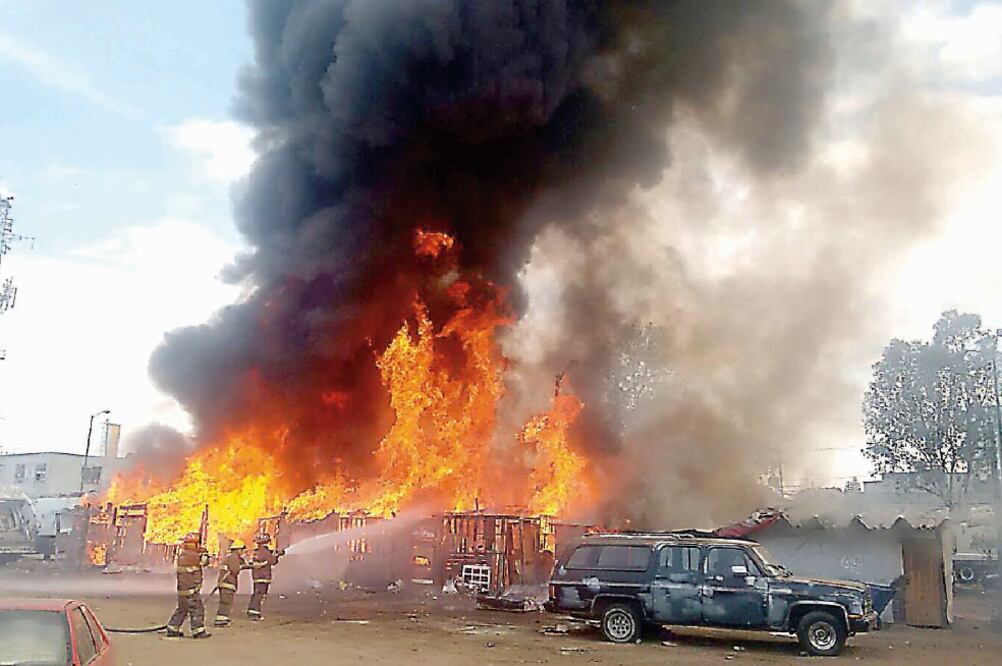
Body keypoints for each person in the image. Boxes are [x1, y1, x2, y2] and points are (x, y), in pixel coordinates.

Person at [166, 532, 211, 638]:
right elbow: (205, 562)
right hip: (191, 588)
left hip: (182, 588)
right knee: (197, 609)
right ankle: (198, 631)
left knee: (182, 608)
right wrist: (204, 553)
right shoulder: (193, 555)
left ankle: (173, 628)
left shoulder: (183, 555)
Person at [247, 532, 284, 621]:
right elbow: (272, 561)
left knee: (256, 594)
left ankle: (252, 611)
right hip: (263, 577)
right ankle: (255, 614)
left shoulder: (257, 552)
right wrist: (277, 555)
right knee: (260, 595)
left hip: (257, 577)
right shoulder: (265, 552)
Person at [214, 539, 249, 627]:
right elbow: (235, 570)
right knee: (226, 602)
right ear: (239, 549)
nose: (243, 552)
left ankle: (223, 619)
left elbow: (242, 564)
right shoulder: (234, 557)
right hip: (227, 583)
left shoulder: (232, 557)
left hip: (225, 583)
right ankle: (220, 621)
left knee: (226, 602)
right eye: (242, 550)